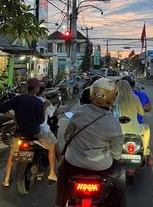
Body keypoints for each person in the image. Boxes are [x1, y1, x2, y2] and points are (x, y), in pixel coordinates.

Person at [55, 78, 126, 207]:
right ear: (112, 97)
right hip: (101, 168)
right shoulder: (113, 123)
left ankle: (59, 204)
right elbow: (116, 152)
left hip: (73, 164)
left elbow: (67, 135)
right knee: (120, 176)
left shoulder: (80, 112)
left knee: (61, 173)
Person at [0, 78, 57, 188]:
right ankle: (52, 173)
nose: (39, 88)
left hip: (20, 133)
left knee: (12, 153)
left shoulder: (17, 99)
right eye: (38, 86)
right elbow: (40, 121)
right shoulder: (38, 102)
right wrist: (44, 107)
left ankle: (6, 179)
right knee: (52, 145)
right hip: (35, 133)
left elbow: (2, 108)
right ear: (35, 88)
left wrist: (14, 118)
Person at [116, 80, 151, 164]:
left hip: (118, 131)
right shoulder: (135, 98)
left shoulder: (115, 99)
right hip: (135, 130)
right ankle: (145, 151)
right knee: (147, 128)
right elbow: (142, 113)